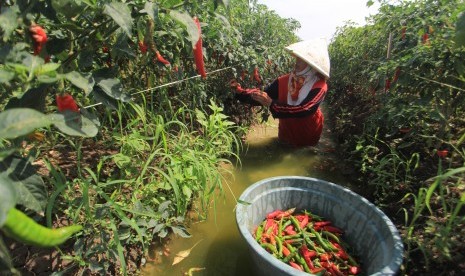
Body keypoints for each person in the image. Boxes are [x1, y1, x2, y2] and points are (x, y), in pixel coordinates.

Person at [231, 38, 330, 147]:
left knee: (305, 153)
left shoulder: (319, 86)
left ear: (311, 65)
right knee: (284, 147)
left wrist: (272, 104)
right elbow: (263, 95)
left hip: (308, 133)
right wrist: (239, 91)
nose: (296, 62)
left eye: (301, 60)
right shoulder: (284, 81)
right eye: (298, 58)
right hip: (286, 131)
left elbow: (305, 109)